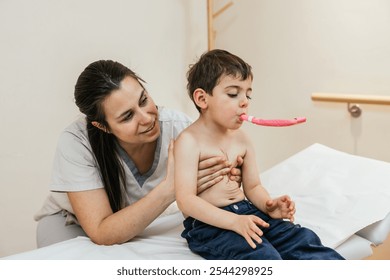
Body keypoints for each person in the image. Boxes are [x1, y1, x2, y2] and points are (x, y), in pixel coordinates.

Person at [34, 59, 243, 248]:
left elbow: (216, 186)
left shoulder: (180, 130)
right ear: (102, 126)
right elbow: (101, 231)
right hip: (70, 222)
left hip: (143, 222)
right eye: (127, 116)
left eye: (143, 100)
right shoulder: (77, 142)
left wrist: (230, 175)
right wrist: (171, 188)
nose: (146, 118)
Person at [174, 49, 345, 260]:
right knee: (264, 256)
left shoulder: (242, 139)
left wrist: (268, 205)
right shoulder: (188, 142)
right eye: (233, 93)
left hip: (249, 212)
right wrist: (233, 222)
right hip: (210, 224)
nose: (245, 101)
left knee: (302, 239)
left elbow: (253, 186)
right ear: (202, 98)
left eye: (248, 93)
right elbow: (186, 201)